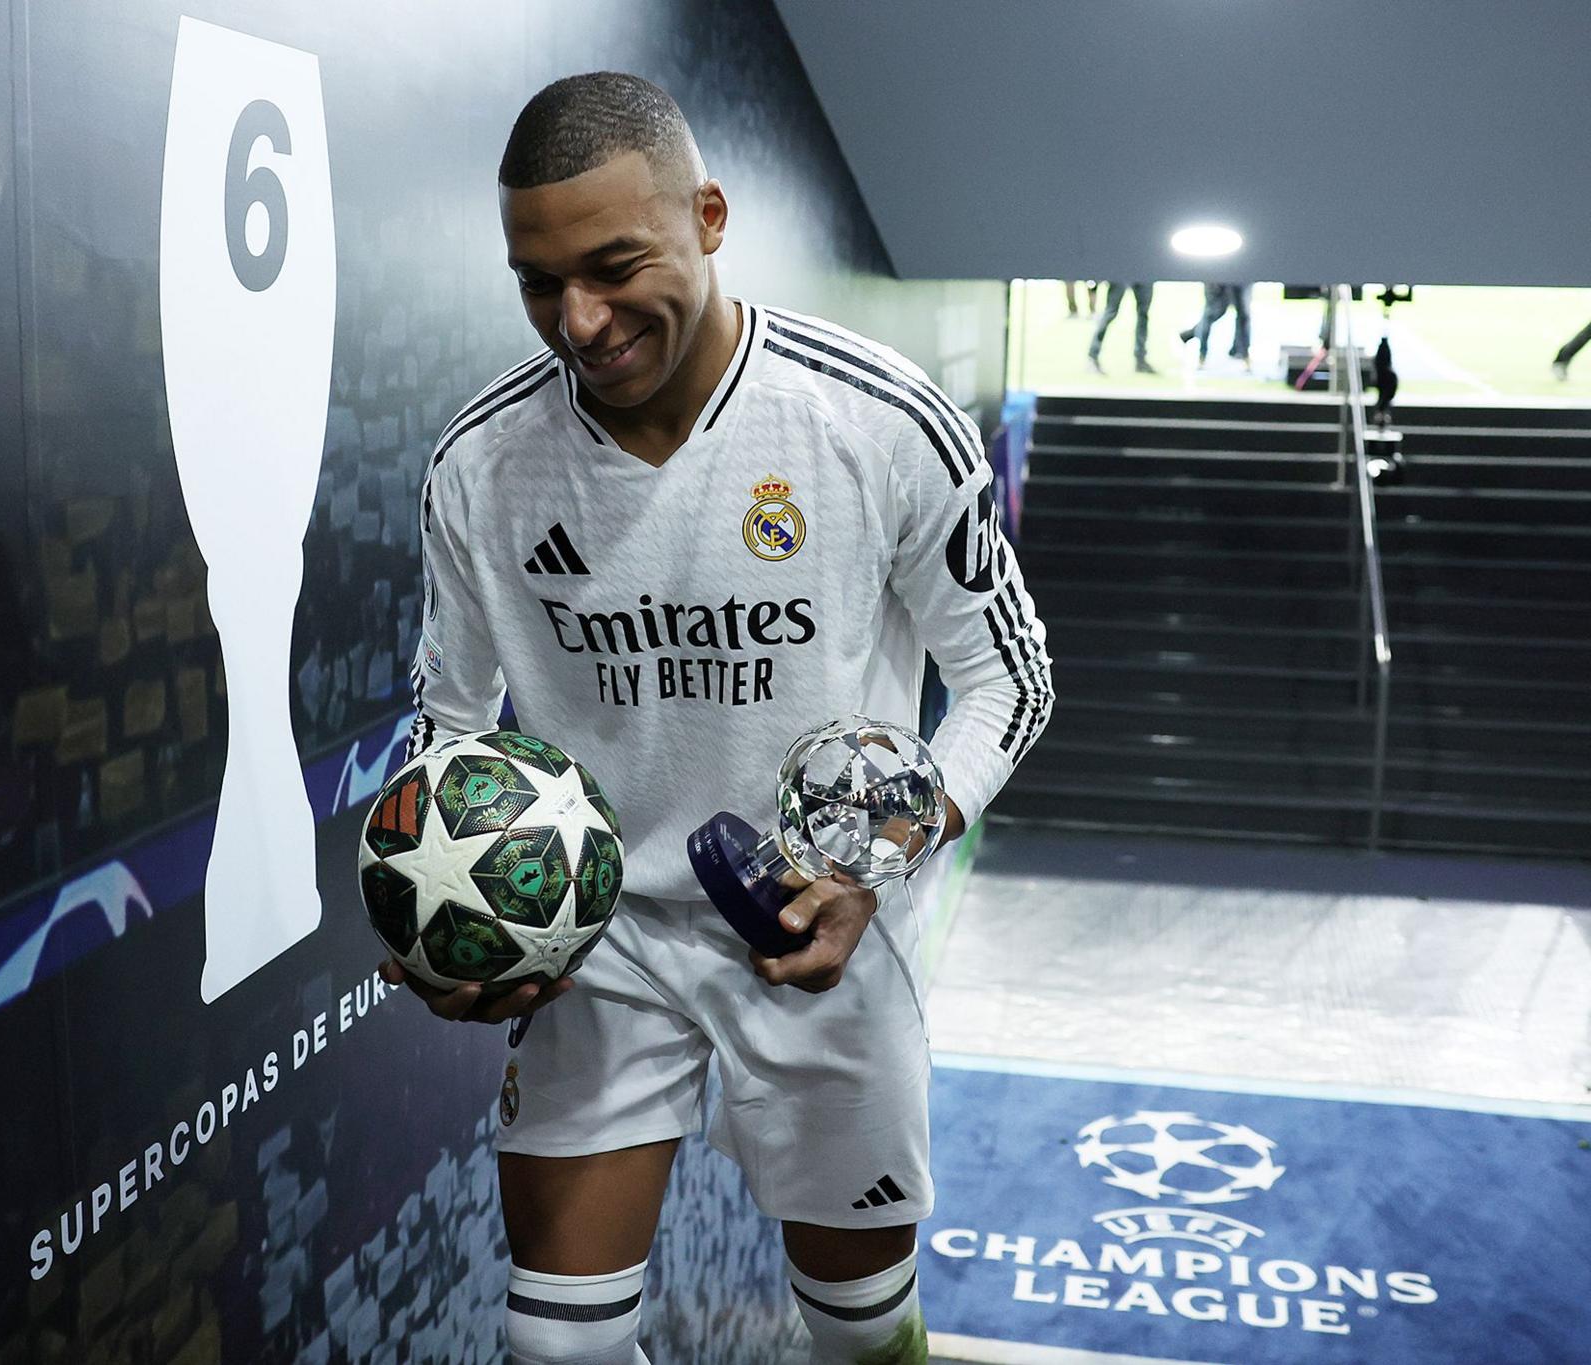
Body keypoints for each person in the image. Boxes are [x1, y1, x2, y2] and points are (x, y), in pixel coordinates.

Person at [384, 72, 1054, 1365]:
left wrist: (881, 866)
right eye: (537, 281)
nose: (578, 319)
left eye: (615, 264)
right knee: (557, 1347)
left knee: (857, 1337)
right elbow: (452, 725)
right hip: (603, 942)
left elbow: (1006, 683)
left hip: (816, 931)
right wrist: (442, 911)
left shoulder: (875, 417)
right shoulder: (479, 467)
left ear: (708, 215)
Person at [1086, 281, 1156, 374]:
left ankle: (1141, 359)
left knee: (1143, 315)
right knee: (1110, 312)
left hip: (1143, 272)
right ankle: (1092, 357)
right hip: (1123, 272)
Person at [1179, 283, 1251, 369]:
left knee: (1243, 314)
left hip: (1239, 278)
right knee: (1213, 313)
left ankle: (1242, 355)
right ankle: (1201, 356)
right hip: (1218, 276)